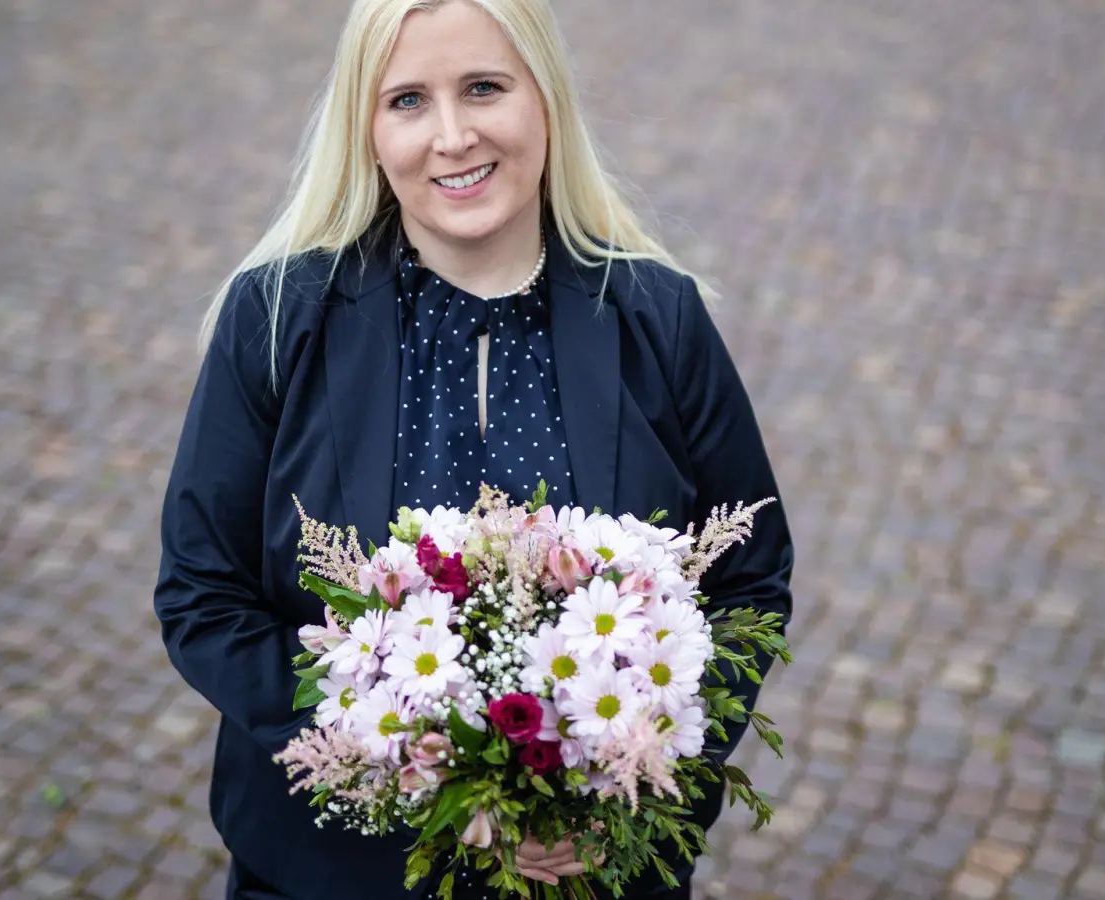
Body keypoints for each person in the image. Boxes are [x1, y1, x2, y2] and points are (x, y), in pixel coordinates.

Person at [151, 0, 793, 897]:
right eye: (407, 100)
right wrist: (386, 745)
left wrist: (634, 785)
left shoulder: (660, 317)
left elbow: (746, 579)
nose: (452, 136)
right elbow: (202, 594)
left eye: (484, 87)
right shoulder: (274, 321)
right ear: (367, 130)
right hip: (333, 873)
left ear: (545, 101)